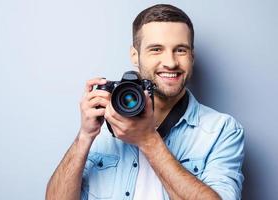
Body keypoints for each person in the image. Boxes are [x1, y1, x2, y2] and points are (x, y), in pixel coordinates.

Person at [46, 4, 244, 200]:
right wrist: (85, 136)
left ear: (192, 56)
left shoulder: (221, 130)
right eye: (156, 49)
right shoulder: (104, 120)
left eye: (180, 50)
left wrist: (148, 140)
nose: (171, 62)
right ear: (135, 55)